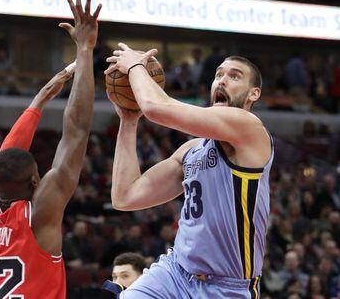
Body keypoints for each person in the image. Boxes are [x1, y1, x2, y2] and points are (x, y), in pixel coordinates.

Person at [105, 44, 273, 298]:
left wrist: (135, 66)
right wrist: (128, 122)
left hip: (226, 286)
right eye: (218, 75)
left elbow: (154, 108)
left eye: (234, 76)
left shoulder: (250, 129)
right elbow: (125, 197)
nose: (222, 81)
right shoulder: (191, 150)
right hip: (176, 272)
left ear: (253, 94)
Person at [0, 0, 101, 298]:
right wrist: (85, 49)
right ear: (35, 180)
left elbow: (3, 163)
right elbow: (77, 130)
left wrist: (39, 100)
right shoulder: (40, 214)